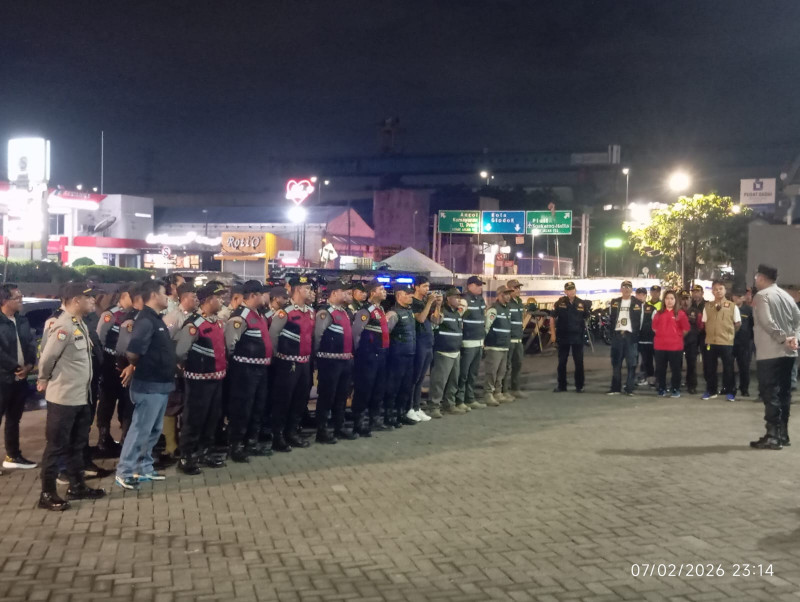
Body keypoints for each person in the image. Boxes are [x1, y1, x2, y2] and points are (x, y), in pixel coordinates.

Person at [37, 283, 106, 511]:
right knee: (56, 446)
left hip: (80, 397)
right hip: (63, 399)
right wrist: (43, 378)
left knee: (77, 445)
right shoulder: (63, 326)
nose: (93, 301)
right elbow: (47, 358)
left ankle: (77, 487)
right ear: (76, 300)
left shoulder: (79, 324)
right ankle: (47, 494)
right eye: (89, 298)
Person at [114, 280, 176, 489]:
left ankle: (143, 467)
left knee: (153, 430)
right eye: (163, 293)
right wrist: (137, 366)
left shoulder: (155, 319)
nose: (167, 296)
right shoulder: (146, 321)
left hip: (160, 384)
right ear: (153, 296)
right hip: (148, 384)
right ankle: (125, 471)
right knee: (141, 429)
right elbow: (133, 352)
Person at [174, 282, 228, 474]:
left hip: (216, 378)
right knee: (194, 419)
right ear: (208, 300)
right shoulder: (194, 325)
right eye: (219, 297)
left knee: (212, 418)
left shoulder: (217, 322)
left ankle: (205, 451)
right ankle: (186, 456)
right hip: (198, 380)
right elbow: (180, 352)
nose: (222, 300)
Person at [749, 264, 800, 449]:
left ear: (762, 278)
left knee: (771, 394)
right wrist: (794, 339)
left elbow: (766, 321)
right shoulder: (787, 296)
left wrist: (783, 338)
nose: (755, 281)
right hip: (789, 353)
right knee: (785, 394)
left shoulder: (762, 296)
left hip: (770, 353)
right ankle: (783, 434)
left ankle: (772, 435)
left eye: (756, 278)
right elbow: (798, 320)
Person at [225, 280, 273, 461]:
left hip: (260, 368)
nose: (264, 297)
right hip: (245, 370)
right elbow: (230, 344)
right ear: (253, 295)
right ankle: (236, 446)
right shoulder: (241, 316)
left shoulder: (257, 314)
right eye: (261, 294)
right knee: (242, 408)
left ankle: (251, 442)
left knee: (257, 406)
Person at [268, 276, 315, 451]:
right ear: (296, 290)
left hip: (304, 362)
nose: (309, 291)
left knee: (300, 399)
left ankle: (292, 432)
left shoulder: (310, 312)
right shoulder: (285, 312)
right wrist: (275, 357)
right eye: (306, 288)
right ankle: (278, 436)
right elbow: (273, 335)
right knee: (283, 400)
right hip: (287, 363)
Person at [95, 282, 135, 456]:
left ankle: (126, 438)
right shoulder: (110, 315)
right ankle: (104, 439)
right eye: (133, 296)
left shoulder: (136, 315)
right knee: (107, 401)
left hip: (130, 365)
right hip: (110, 365)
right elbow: (99, 341)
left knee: (128, 402)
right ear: (124, 296)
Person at [0, 284, 37, 470]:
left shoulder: (22, 321)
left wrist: (29, 366)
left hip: (20, 378)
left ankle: (13, 456)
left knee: (14, 419)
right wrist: (15, 367)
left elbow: (31, 344)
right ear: (5, 300)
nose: (21, 300)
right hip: (3, 379)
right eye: (17, 298)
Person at [313, 280, 356, 442]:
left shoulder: (344, 312)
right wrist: (318, 355)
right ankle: (322, 431)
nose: (347, 295)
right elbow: (318, 336)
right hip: (329, 362)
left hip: (344, 361)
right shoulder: (326, 312)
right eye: (344, 292)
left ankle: (339, 426)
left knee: (341, 396)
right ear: (334, 293)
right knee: (326, 396)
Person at [351, 280, 390, 436]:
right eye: (381, 289)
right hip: (368, 357)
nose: (385, 291)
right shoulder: (365, 311)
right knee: (364, 389)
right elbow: (356, 334)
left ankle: (375, 419)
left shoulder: (380, 309)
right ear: (373, 292)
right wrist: (361, 353)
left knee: (378, 388)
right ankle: (359, 423)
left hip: (381, 355)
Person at [383, 285, 419, 428]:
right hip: (397, 357)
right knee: (393, 388)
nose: (411, 296)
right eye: (407, 294)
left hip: (409, 356)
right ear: (399, 296)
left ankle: (401, 414)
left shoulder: (409, 312)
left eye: (411, 294)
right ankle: (389, 416)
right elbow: (385, 335)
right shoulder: (393, 314)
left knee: (405, 388)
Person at [700, 280, 741, 401]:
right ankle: (711, 391)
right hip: (711, 342)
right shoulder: (708, 306)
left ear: (725, 290)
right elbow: (704, 322)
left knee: (728, 368)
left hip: (726, 342)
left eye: (720, 288)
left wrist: (729, 334)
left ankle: (730, 392)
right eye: (715, 289)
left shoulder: (732, 306)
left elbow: (737, 324)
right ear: (712, 291)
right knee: (710, 368)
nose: (718, 291)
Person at [427, 288, 464, 417]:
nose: (459, 299)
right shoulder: (442, 311)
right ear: (448, 298)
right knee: (439, 382)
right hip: (443, 352)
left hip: (455, 352)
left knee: (453, 382)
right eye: (456, 297)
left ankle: (449, 404)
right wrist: (437, 305)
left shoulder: (457, 313)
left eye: (460, 297)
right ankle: (434, 406)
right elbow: (436, 320)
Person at [550, 281, 591, 393]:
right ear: (565, 291)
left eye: (572, 289)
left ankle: (579, 385)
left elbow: (587, 317)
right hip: (563, 337)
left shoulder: (581, 303)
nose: (570, 291)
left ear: (575, 290)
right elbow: (552, 318)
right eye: (568, 290)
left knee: (579, 362)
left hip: (577, 337)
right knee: (562, 362)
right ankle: (562, 385)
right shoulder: (560, 302)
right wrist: (553, 334)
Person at [409, 277, 439, 422]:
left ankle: (416, 407)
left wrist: (437, 305)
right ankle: (409, 408)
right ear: (416, 287)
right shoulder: (413, 302)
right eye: (424, 286)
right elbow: (420, 319)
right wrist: (429, 303)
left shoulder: (424, 302)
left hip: (428, 342)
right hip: (419, 342)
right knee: (414, 378)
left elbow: (435, 320)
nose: (427, 289)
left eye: (428, 286)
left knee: (421, 378)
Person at [455, 276, 487, 411]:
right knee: (463, 374)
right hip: (468, 342)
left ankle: (470, 398)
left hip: (479, 342)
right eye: (478, 285)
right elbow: (458, 319)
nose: (480, 287)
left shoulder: (480, 299)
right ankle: (460, 400)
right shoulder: (464, 301)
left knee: (473, 373)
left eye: (481, 285)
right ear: (470, 286)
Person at [652, 290, 690, 397]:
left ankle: (675, 389)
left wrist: (676, 336)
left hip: (675, 347)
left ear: (675, 300)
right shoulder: (658, 314)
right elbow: (654, 328)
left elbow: (686, 329)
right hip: (660, 346)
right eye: (667, 298)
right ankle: (662, 388)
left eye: (672, 299)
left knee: (676, 370)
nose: (669, 301)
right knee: (660, 369)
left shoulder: (680, 314)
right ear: (664, 300)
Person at [608, 280, 642, 396]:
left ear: (631, 289)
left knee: (631, 364)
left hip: (630, 337)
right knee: (616, 363)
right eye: (624, 287)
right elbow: (611, 319)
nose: (626, 289)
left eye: (629, 287)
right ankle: (615, 388)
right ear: (621, 289)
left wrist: (636, 334)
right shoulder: (614, 302)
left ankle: (629, 388)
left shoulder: (638, 303)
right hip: (617, 336)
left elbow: (640, 321)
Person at [483, 286, 513, 405]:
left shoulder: (507, 309)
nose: (508, 296)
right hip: (494, 346)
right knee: (492, 372)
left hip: (504, 346)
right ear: (499, 295)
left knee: (501, 372)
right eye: (505, 294)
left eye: (509, 294)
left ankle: (498, 393)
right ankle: (488, 394)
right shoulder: (494, 309)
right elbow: (486, 327)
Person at [502, 279, 529, 398]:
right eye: (515, 288)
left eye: (519, 287)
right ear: (509, 289)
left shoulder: (519, 302)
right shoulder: (507, 303)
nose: (518, 290)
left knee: (518, 364)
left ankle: (515, 389)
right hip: (509, 339)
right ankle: (503, 391)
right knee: (506, 366)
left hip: (518, 339)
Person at [683, 285, 705, 395]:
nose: (695, 294)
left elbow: (701, 325)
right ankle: (687, 383)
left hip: (698, 338)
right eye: (694, 292)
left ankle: (694, 384)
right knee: (685, 362)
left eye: (698, 292)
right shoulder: (681, 310)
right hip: (684, 339)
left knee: (697, 363)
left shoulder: (702, 308)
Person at [732, 288, 754, 398]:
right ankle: (731, 388)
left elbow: (753, 326)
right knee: (729, 367)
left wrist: (751, 340)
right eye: (735, 296)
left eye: (740, 296)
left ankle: (744, 388)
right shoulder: (729, 309)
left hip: (745, 343)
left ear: (744, 298)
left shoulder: (749, 310)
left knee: (744, 367)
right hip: (731, 342)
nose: (737, 298)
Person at [635, 287, 656, 387]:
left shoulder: (651, 309)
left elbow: (655, 325)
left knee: (648, 360)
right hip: (635, 339)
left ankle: (651, 379)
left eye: (642, 295)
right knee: (636, 361)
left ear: (646, 296)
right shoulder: (632, 307)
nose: (640, 297)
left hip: (648, 340)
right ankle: (640, 378)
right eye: (638, 294)